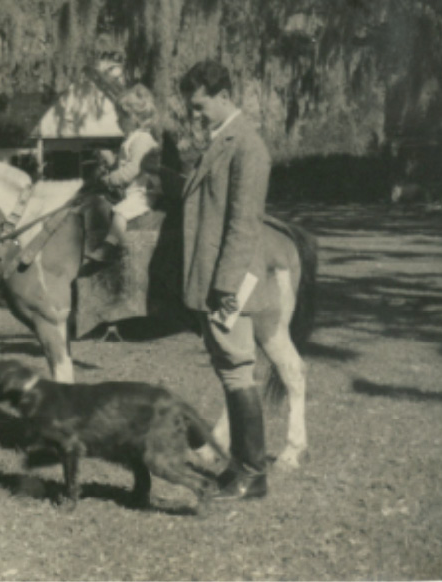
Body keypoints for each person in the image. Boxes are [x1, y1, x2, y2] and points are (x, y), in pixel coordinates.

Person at [178, 60, 272, 500]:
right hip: (215, 277)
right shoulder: (220, 142)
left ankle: (253, 472)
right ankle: (240, 468)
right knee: (230, 370)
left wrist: (225, 286)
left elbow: (244, 224)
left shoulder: (247, 146)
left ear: (223, 96)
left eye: (199, 107)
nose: (194, 115)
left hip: (230, 279)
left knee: (238, 369)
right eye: (190, 108)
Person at [86, 84, 161, 263]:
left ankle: (109, 246)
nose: (118, 120)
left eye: (121, 116)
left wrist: (111, 179)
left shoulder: (143, 140)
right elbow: (123, 166)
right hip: (132, 191)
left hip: (143, 193)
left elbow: (134, 169)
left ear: (134, 118)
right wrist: (110, 162)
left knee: (120, 212)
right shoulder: (131, 140)